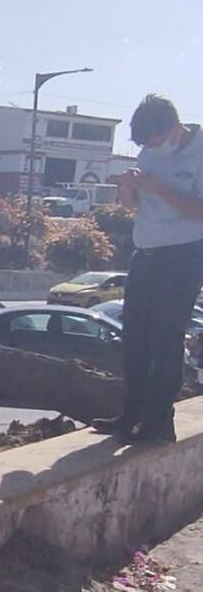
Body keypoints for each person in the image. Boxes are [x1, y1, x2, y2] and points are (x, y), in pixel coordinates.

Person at [93, 95, 203, 443]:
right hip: (146, 252)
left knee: (165, 338)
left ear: (173, 127)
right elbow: (131, 207)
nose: (152, 148)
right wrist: (127, 188)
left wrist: (161, 189)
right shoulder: (149, 152)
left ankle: (159, 422)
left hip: (184, 255)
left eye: (155, 139)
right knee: (135, 338)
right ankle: (130, 416)